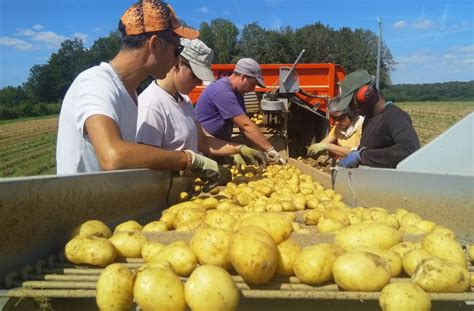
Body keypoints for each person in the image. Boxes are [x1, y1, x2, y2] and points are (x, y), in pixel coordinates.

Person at [56, 0, 223, 187]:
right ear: (155, 44)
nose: (177, 61)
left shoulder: (129, 93)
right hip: (83, 211)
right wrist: (188, 159)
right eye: (178, 50)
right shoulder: (95, 83)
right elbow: (113, 156)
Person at [136, 38, 267, 168]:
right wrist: (192, 161)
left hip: (189, 185)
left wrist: (237, 149)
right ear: (177, 64)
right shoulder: (151, 105)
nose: (199, 83)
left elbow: (203, 141)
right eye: (195, 76)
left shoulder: (184, 101)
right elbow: (147, 160)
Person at [194, 58, 285, 164]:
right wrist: (270, 149)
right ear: (243, 77)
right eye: (253, 84)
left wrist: (259, 149)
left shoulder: (237, 94)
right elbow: (245, 125)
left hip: (219, 145)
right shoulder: (222, 91)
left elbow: (244, 128)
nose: (253, 89)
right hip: (204, 148)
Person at [335, 70, 420, 168]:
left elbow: (410, 148)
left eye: (351, 104)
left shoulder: (395, 116)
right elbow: (371, 149)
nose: (351, 109)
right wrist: (357, 153)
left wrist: (362, 156)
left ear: (365, 95)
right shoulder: (369, 118)